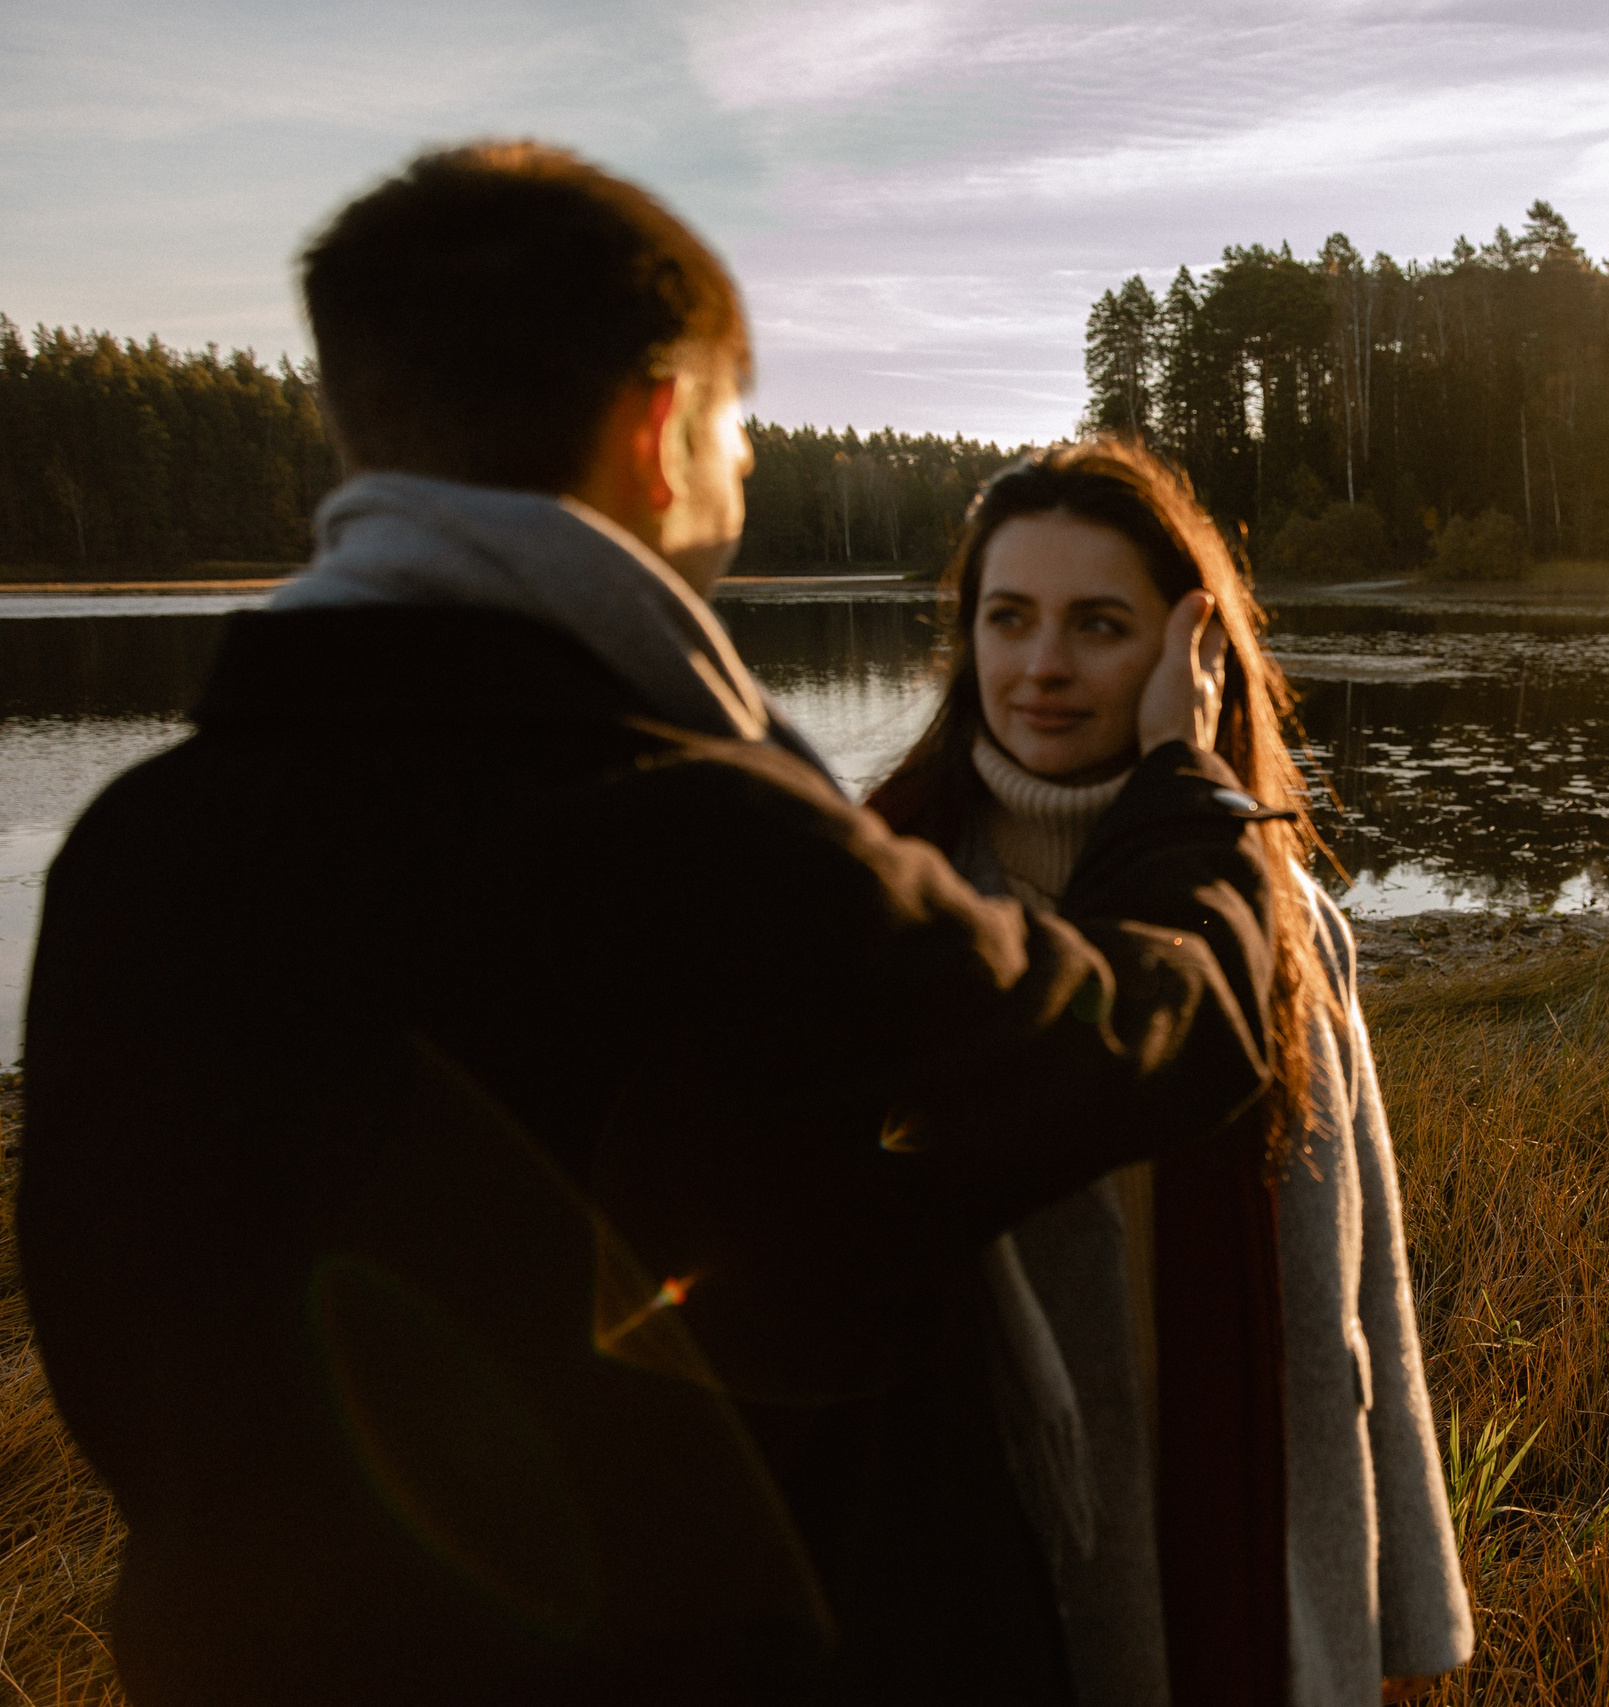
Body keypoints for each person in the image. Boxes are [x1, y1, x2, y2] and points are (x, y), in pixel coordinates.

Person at [19, 144, 1281, 1707]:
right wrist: (1191, 798)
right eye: (739, 435)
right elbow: (1152, 1041)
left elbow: (107, 1352)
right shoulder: (714, 847)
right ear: (661, 426)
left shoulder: (131, 852)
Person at [868, 442, 1473, 1707]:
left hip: (1254, 1518)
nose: (1041, 667)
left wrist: (1402, 1598)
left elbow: (1365, 1278)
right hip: (983, 1576)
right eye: (1008, 618)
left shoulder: (1280, 913)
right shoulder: (886, 899)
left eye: (1098, 624)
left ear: (1191, 656)